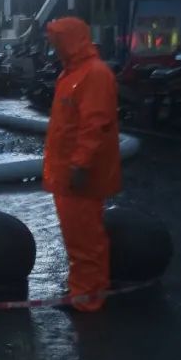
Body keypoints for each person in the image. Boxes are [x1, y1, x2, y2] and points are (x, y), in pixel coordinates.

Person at [42, 16, 122, 312]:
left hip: (79, 175)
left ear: (70, 41)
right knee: (78, 237)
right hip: (68, 173)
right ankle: (82, 289)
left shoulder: (93, 74)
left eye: (57, 42)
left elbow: (95, 125)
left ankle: (88, 297)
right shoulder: (73, 73)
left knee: (85, 238)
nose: (54, 48)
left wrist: (79, 166)